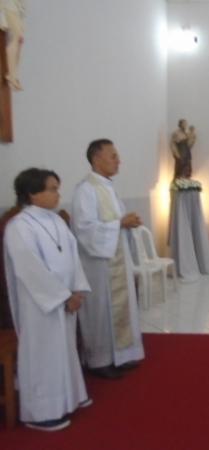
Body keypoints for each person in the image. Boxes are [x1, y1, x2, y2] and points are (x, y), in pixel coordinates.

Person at [4, 168, 91, 431]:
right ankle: (40, 413)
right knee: (44, 354)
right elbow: (30, 268)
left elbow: (72, 256)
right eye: (52, 189)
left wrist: (76, 290)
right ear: (32, 193)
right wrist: (63, 297)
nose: (57, 194)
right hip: (40, 304)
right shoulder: (19, 226)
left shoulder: (56, 221)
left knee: (64, 349)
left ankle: (70, 397)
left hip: (66, 300)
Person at [71, 139, 144, 379]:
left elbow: (110, 222)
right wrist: (120, 223)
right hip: (98, 265)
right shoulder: (86, 189)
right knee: (100, 311)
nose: (118, 160)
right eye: (113, 156)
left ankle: (120, 355)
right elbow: (84, 228)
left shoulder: (107, 187)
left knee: (117, 310)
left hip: (115, 260)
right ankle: (99, 360)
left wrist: (125, 223)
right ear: (96, 159)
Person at [0, 0, 25, 90]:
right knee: (16, 38)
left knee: (18, 40)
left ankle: (13, 74)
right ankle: (12, 75)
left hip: (14, 7)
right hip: (10, 6)